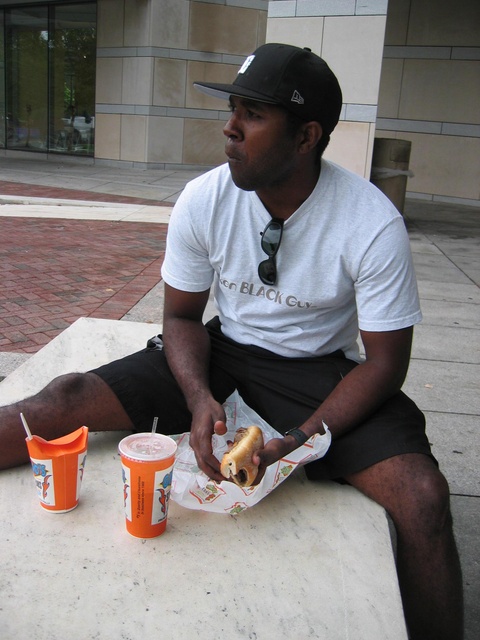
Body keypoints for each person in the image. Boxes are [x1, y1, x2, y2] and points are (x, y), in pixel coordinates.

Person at [0, 43, 462, 639]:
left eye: (253, 114)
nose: (230, 128)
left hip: (319, 371)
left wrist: (297, 441)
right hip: (223, 354)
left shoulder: (369, 222)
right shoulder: (205, 198)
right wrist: (196, 397)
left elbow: (385, 364)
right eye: (233, 109)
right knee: (62, 399)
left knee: (423, 496)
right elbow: (183, 319)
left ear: (306, 136)